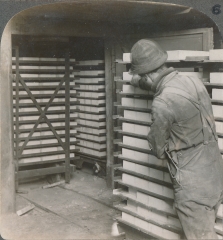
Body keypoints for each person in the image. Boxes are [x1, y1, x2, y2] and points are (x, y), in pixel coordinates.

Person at [129, 39, 223, 239]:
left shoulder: (162, 102)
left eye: (141, 77)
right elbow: (171, 90)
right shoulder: (192, 80)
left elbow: (158, 149)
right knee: (207, 229)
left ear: (147, 74)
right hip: (214, 172)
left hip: (192, 184)